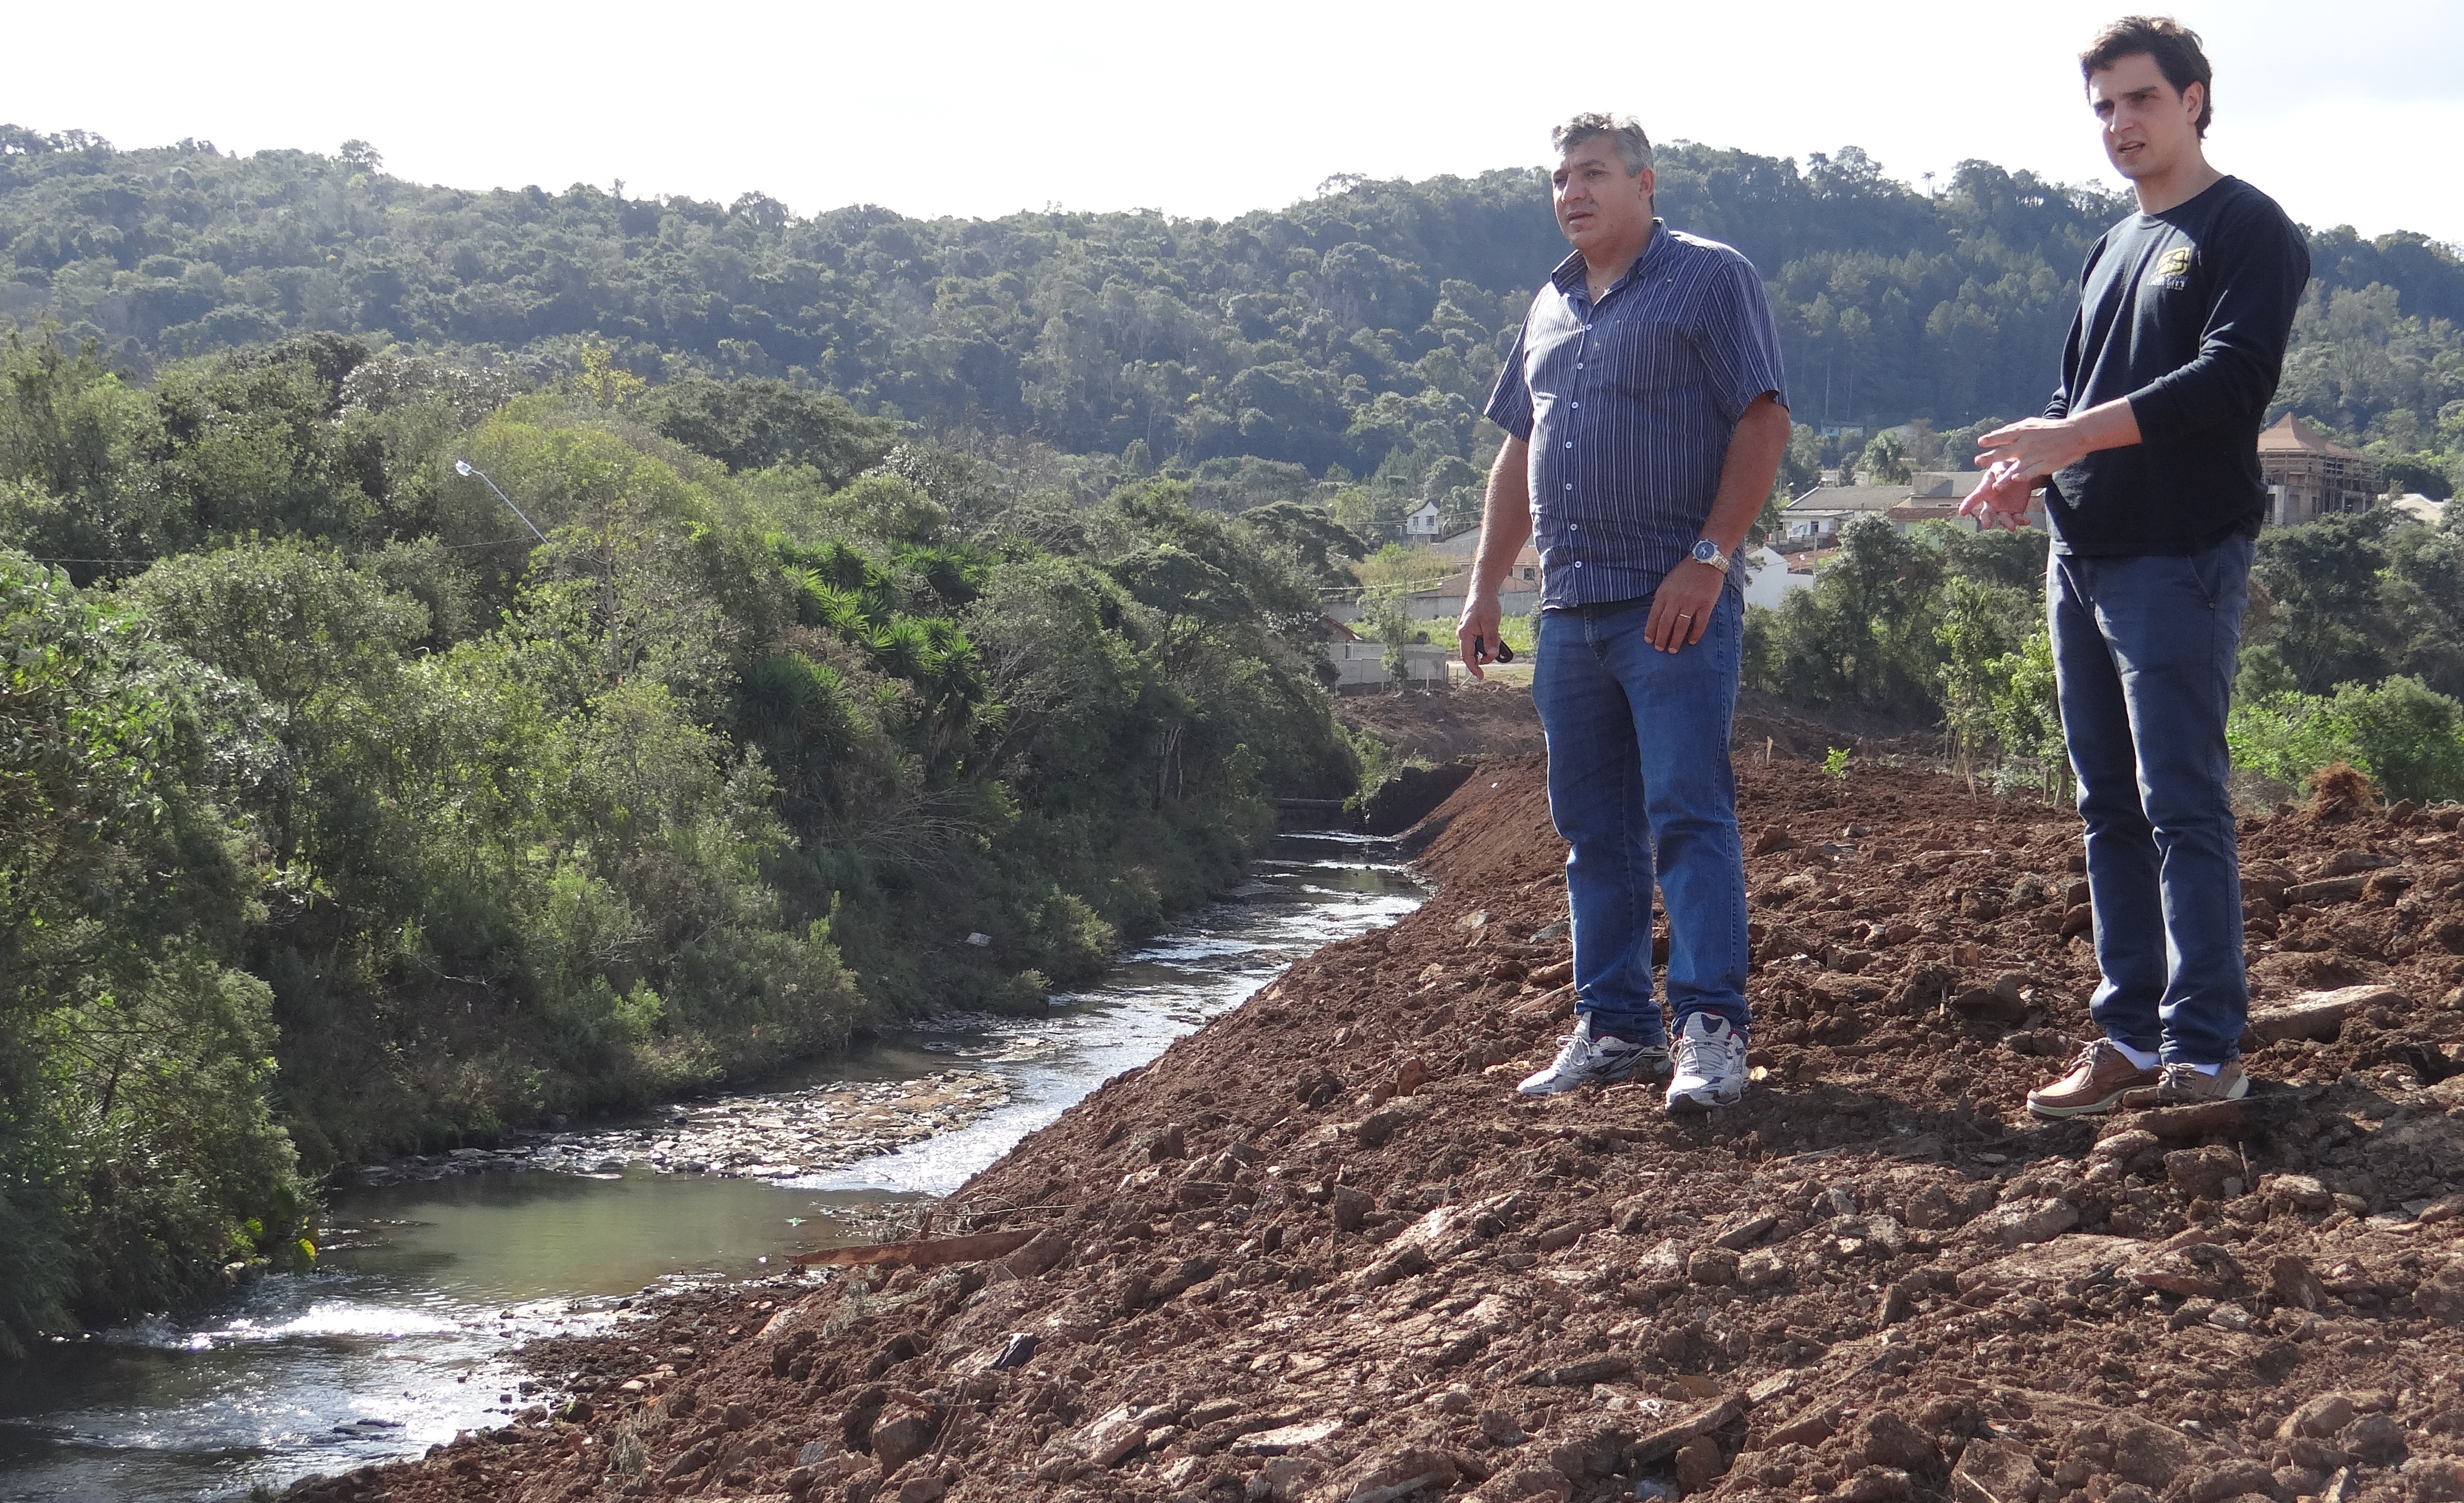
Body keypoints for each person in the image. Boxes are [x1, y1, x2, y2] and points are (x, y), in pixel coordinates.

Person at [1962, 17, 2309, 1115]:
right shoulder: (2110, 248)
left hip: (2180, 556)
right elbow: (2075, 398)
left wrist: (2072, 438)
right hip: (2082, 554)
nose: (2120, 124)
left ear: (2196, 99)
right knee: (2106, 804)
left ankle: (2204, 1056)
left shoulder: (2248, 228)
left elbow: (2231, 379)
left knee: (2180, 805)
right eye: (2104, 106)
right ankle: (2124, 1038)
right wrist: (2032, 468)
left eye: (2141, 100)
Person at [1459, 113, 1791, 1114]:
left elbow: (1762, 418)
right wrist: (1483, 585)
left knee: (1686, 813)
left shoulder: (1707, 276)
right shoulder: (1547, 303)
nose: (1573, 192)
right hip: (1570, 608)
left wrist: (1706, 559)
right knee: (1591, 830)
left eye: (1594, 173)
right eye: (1560, 178)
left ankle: (1708, 1031)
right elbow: (1519, 451)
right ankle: (1612, 1028)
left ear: (1644, 184)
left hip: (1671, 602)